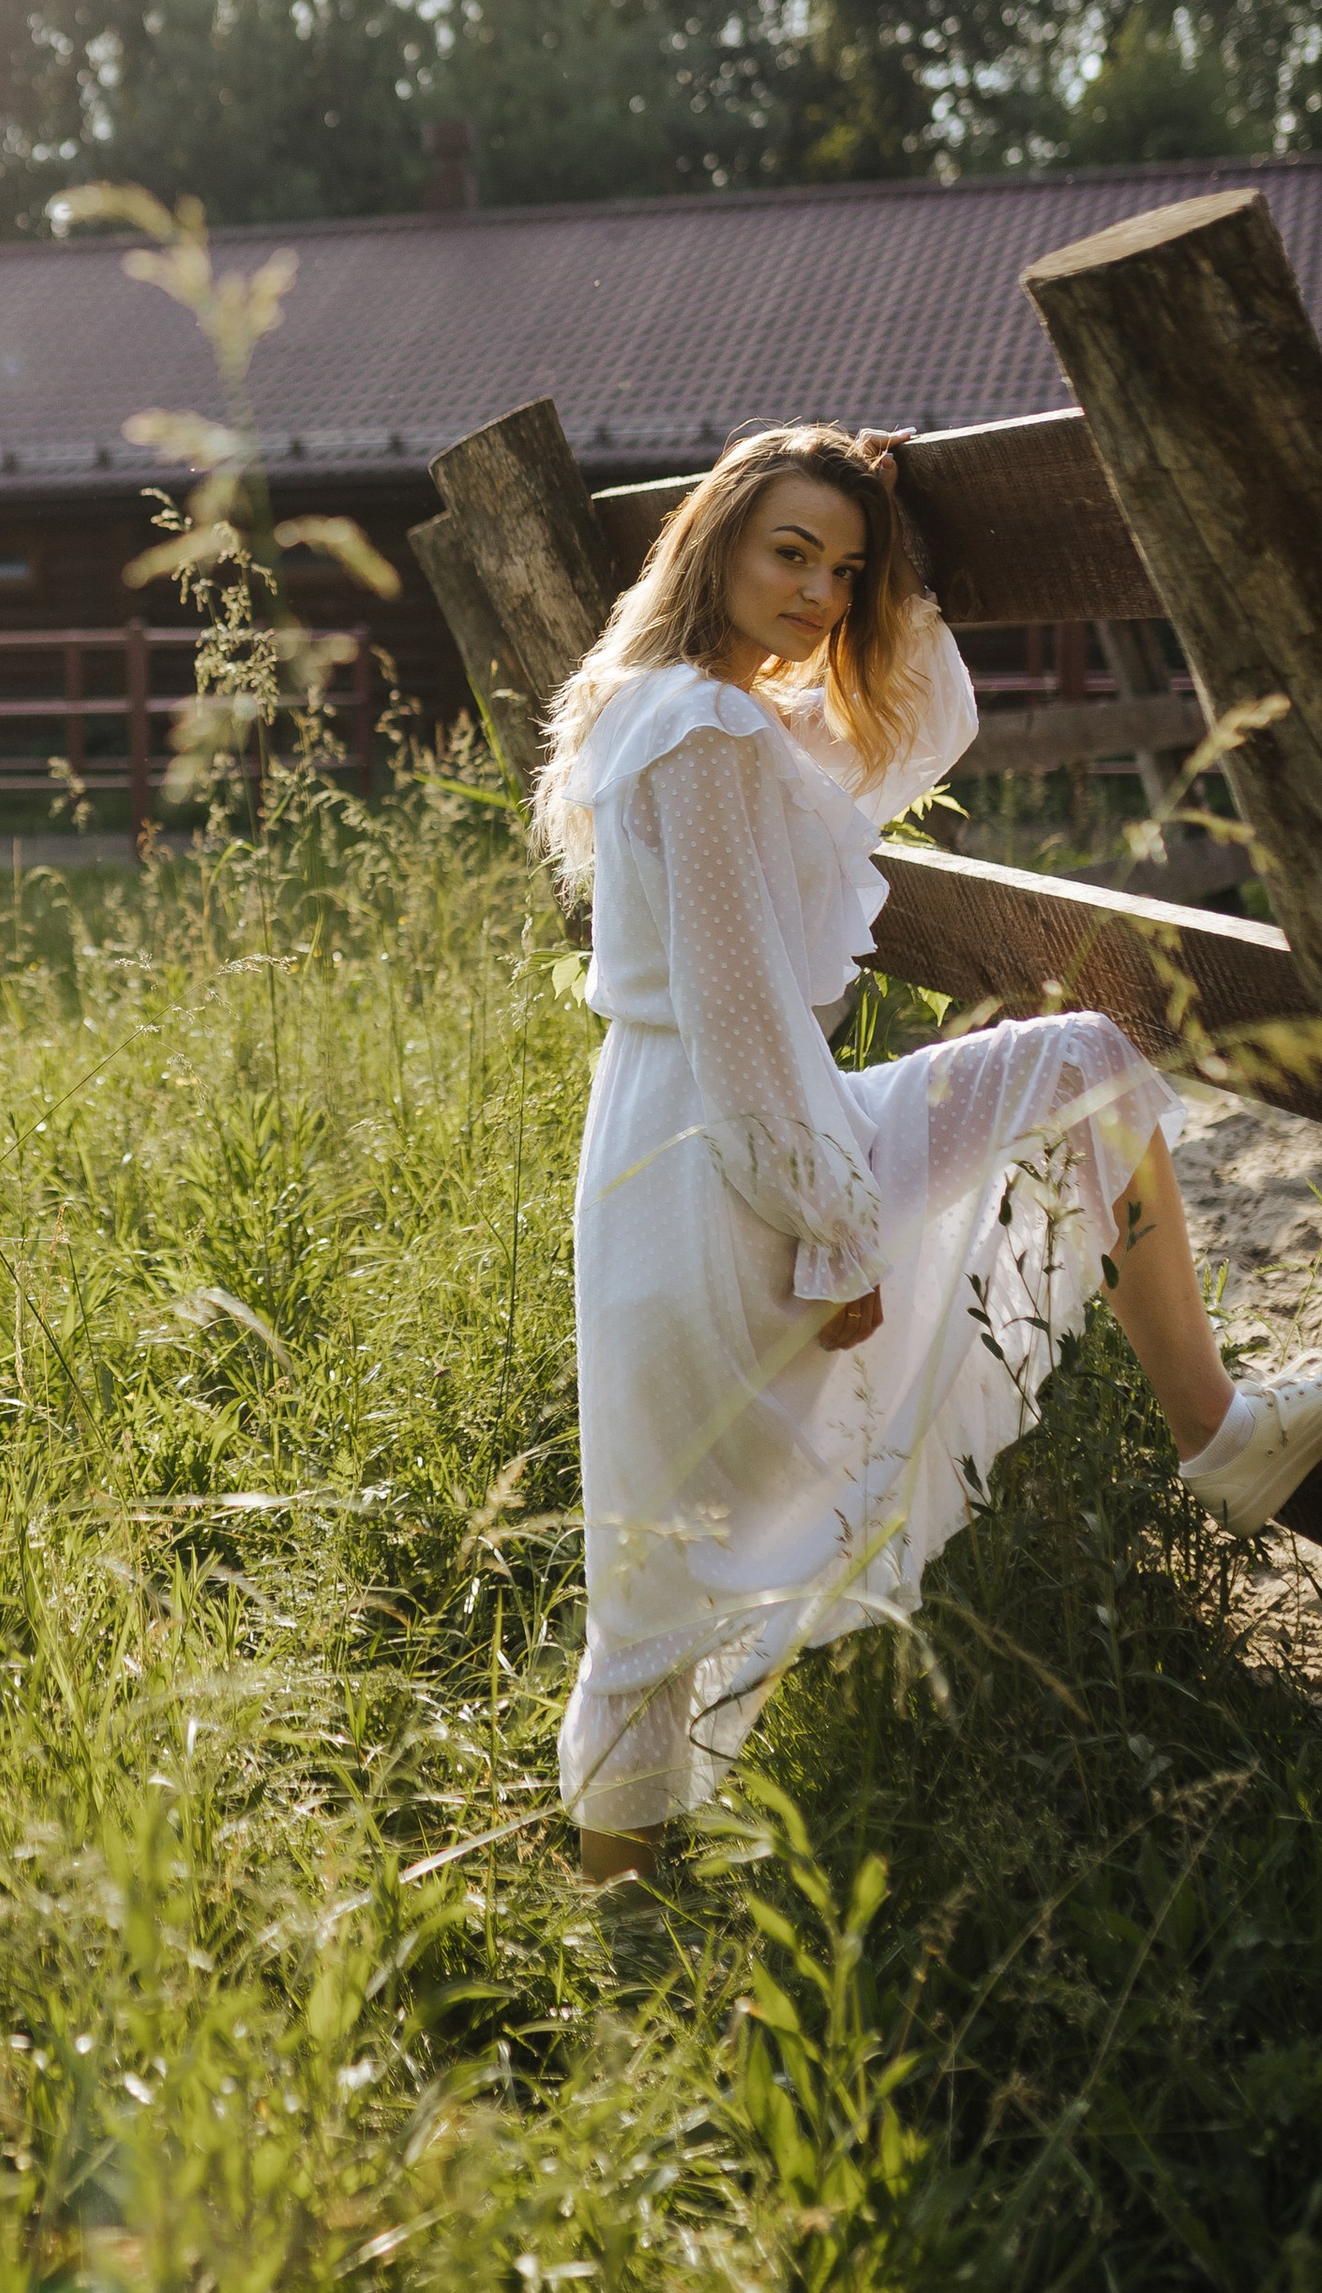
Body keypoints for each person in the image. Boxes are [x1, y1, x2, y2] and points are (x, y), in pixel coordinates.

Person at [528, 421, 1322, 1888]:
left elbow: (911, 731)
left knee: (650, 1560)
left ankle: (615, 1915)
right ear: (713, 541)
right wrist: (834, 1231)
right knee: (658, 1564)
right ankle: (1213, 1426)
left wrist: (906, 562)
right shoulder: (700, 731)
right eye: (791, 553)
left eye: (845, 568)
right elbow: (741, 1013)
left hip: (686, 1145)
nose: (823, 593)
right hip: (722, 1152)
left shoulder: (695, 712)